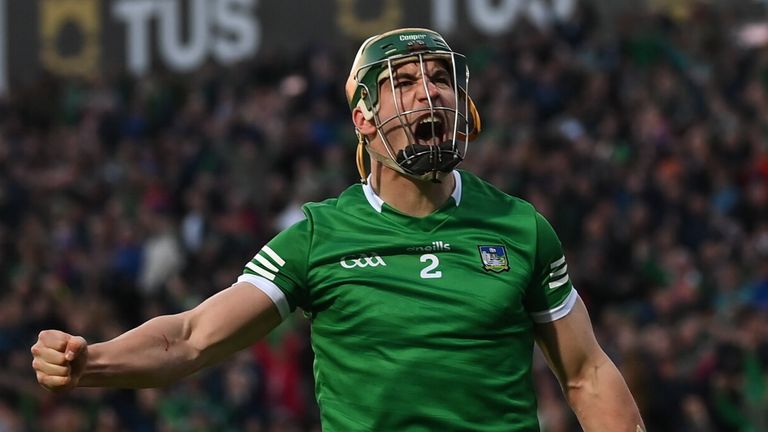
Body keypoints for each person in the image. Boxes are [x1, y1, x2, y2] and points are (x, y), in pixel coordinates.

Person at [31, 28, 645, 431]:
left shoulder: (520, 226)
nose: (428, 94)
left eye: (438, 78)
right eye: (403, 82)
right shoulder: (318, 236)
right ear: (364, 120)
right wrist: (94, 361)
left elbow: (586, 373)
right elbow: (191, 338)